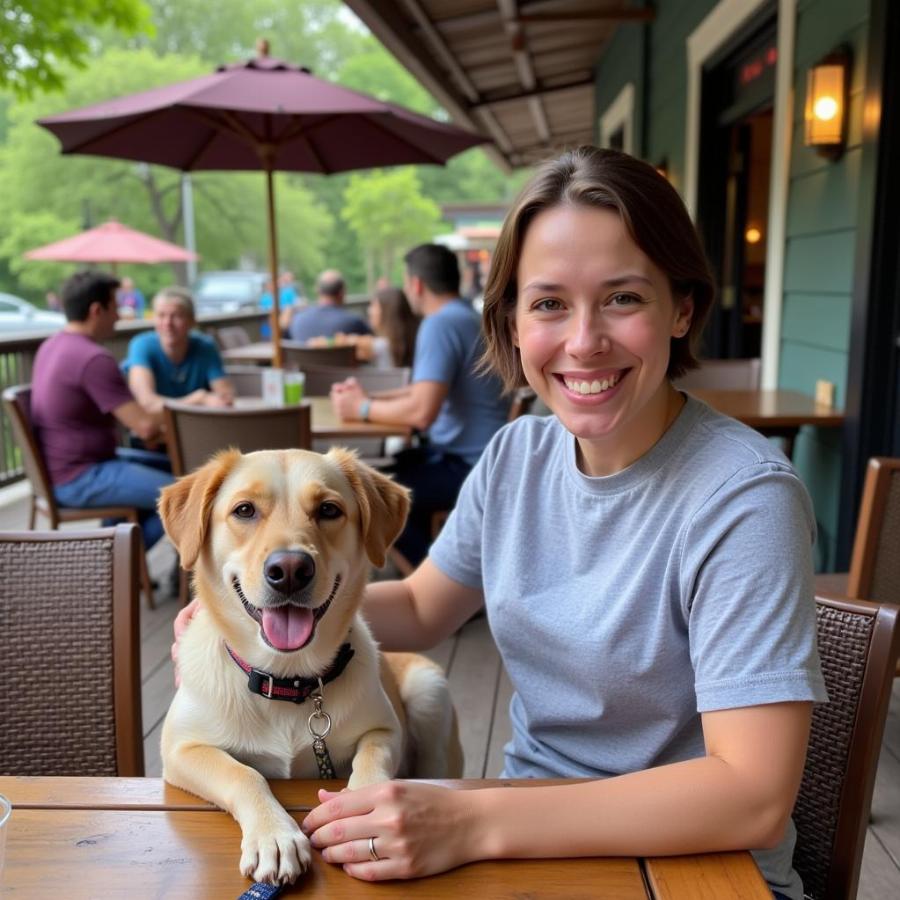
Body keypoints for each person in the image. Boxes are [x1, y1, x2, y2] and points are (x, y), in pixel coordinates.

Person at [176, 148, 825, 899]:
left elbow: (750, 795)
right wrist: (250, 613)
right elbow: (422, 606)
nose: (584, 340)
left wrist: (474, 824)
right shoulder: (519, 453)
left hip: (692, 868)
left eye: (623, 299)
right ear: (512, 322)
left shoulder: (744, 498)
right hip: (526, 841)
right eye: (549, 303)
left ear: (682, 307)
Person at [330, 244, 510, 566]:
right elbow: (421, 392)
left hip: (471, 466)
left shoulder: (440, 323)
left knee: (378, 498)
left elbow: (421, 412)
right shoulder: (466, 316)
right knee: (384, 474)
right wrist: (366, 400)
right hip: (486, 458)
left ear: (416, 285)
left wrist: (361, 410)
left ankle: (430, 591)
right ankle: (444, 571)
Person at [31, 270, 173, 549]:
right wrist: (189, 406)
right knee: (181, 497)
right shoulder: (93, 358)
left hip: (71, 467)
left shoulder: (51, 345)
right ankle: (116, 563)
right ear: (97, 310)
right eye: (115, 307)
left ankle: (117, 556)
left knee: (176, 469)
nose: (119, 316)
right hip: (82, 476)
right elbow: (143, 426)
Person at [122, 286, 234, 413]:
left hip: (196, 426)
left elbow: (225, 396)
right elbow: (147, 403)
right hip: (157, 428)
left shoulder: (205, 346)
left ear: (192, 321)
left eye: (176, 316)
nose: (167, 323)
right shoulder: (142, 345)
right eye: (161, 315)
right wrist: (197, 399)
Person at [288, 269, 371, 343]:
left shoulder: (297, 320)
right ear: (342, 292)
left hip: (303, 361)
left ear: (317, 290)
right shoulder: (354, 323)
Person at [366, 285, 419, 368]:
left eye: (374, 306)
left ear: (386, 312)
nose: (369, 311)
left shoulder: (380, 346)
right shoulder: (417, 338)